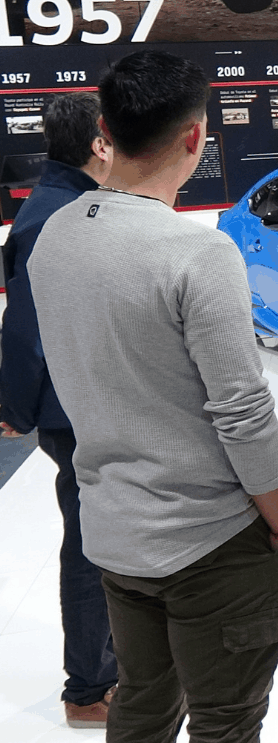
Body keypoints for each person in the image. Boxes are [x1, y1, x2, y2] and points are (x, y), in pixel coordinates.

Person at [29, 50, 278, 743]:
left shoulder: (52, 235)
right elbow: (242, 409)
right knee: (226, 723)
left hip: (114, 532)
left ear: (106, 132)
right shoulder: (196, 256)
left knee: (143, 706)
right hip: (211, 539)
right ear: (193, 138)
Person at [0, 93, 116, 729]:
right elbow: (25, 331)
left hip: (86, 401)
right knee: (90, 546)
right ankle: (89, 689)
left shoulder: (71, 205)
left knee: (101, 537)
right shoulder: (53, 218)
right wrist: (15, 407)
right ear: (101, 143)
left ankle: (110, 667)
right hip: (72, 411)